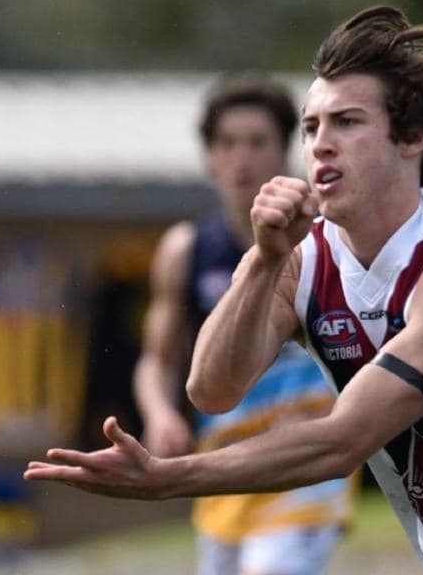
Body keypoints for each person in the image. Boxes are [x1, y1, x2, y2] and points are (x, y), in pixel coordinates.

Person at [26, 6, 423, 575]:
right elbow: (212, 390)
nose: (319, 143)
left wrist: (168, 479)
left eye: (347, 121)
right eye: (310, 126)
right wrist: (263, 260)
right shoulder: (302, 261)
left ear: (413, 139)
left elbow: (344, 440)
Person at [131, 73, 355, 575]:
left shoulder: (325, 243)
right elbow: (158, 360)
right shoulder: (184, 250)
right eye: (227, 143)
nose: (242, 158)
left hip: (304, 467)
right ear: (209, 155)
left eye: (258, 142)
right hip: (225, 469)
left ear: (286, 152)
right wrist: (159, 413)